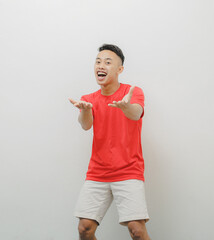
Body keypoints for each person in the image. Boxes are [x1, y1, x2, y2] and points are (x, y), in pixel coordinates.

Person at [69, 44, 151, 240]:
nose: (101, 66)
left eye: (107, 62)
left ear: (120, 69)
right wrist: (86, 111)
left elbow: (136, 113)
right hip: (98, 172)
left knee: (136, 230)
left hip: (129, 170)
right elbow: (85, 125)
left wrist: (125, 107)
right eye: (98, 62)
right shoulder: (88, 99)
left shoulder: (132, 92)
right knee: (84, 228)